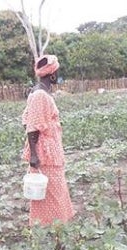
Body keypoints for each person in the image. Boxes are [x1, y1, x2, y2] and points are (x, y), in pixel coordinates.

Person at [21, 54, 75, 226]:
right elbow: (32, 127)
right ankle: (52, 227)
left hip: (49, 149)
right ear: (52, 74)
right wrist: (34, 155)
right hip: (45, 153)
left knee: (54, 191)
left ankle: (52, 226)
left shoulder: (41, 93)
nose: (59, 74)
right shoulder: (40, 96)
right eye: (58, 71)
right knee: (52, 191)